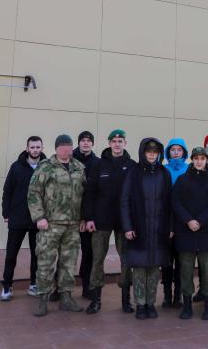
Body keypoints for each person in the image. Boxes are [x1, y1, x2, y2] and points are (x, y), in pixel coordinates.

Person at [27, 134, 85, 317]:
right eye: (63, 146)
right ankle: (43, 300)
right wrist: (39, 218)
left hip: (72, 225)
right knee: (45, 262)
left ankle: (66, 298)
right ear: (56, 148)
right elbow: (33, 193)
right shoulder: (46, 167)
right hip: (50, 224)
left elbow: (85, 195)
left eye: (69, 146)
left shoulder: (79, 167)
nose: (66, 149)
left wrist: (83, 218)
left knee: (69, 263)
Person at [83, 129, 136, 314]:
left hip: (124, 222)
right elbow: (90, 193)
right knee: (97, 260)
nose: (117, 144)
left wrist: (133, 221)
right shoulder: (98, 165)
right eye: (113, 140)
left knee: (126, 260)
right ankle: (95, 299)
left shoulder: (132, 166)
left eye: (120, 140)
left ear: (125, 143)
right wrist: (89, 217)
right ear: (109, 143)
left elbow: (135, 196)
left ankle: (125, 300)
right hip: (100, 220)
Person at [120, 138, 172, 320]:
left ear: (159, 154)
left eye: (155, 152)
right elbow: (125, 201)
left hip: (158, 229)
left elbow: (170, 203)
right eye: (149, 152)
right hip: (138, 229)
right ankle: (140, 304)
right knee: (140, 269)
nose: (151, 155)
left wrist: (170, 227)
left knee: (154, 269)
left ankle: (151, 303)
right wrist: (127, 227)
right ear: (143, 153)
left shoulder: (164, 173)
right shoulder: (133, 173)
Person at [172, 147, 208, 320]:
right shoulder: (182, 179)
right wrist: (189, 220)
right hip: (186, 231)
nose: (199, 161)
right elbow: (176, 202)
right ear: (192, 160)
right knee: (186, 269)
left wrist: (200, 221)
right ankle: (187, 305)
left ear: (206, 160)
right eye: (196, 158)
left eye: (202, 158)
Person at [0, 135, 46, 301]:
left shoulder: (46, 167)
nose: (35, 150)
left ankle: (34, 284)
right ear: (27, 148)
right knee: (11, 254)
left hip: (38, 219)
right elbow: (7, 191)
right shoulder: (16, 167)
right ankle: (7, 286)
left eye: (38, 147)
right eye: (32, 147)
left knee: (37, 254)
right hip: (18, 218)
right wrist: (6, 213)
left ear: (42, 148)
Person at [162, 137, 189, 308]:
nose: (176, 152)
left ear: (184, 152)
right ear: (168, 152)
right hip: (165, 220)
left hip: (183, 221)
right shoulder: (163, 170)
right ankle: (166, 295)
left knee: (181, 260)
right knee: (166, 260)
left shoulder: (189, 169)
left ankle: (178, 293)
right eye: (173, 149)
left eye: (179, 149)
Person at [73, 130, 99, 299]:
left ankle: (86, 286)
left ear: (92, 143)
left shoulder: (97, 163)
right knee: (64, 253)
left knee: (88, 252)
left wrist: (87, 217)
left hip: (88, 216)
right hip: (68, 215)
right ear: (79, 143)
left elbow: (94, 192)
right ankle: (59, 288)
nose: (86, 143)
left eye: (89, 140)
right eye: (83, 140)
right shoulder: (69, 160)